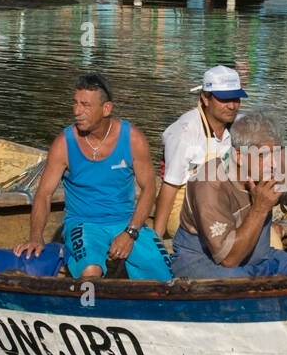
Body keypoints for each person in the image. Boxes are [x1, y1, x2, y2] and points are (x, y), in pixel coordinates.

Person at [14, 74, 172, 280]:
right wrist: (36, 237)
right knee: (91, 271)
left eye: (85, 105)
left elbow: (149, 188)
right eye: (75, 103)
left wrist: (130, 232)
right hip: (84, 224)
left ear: (106, 109)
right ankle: (90, 308)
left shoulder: (133, 138)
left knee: (163, 273)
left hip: (126, 222)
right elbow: (44, 194)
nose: (77, 111)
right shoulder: (64, 143)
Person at [171, 110, 287, 279]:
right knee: (239, 285)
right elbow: (229, 260)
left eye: (277, 152)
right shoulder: (209, 183)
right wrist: (260, 208)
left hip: (261, 257)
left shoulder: (282, 165)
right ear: (238, 155)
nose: (273, 163)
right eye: (263, 155)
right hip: (202, 260)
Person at [153, 65, 244, 239]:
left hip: (224, 201)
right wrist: (157, 237)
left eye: (236, 99)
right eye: (224, 100)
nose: (232, 106)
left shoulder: (242, 125)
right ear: (205, 98)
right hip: (185, 205)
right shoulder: (184, 131)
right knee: (221, 238)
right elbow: (170, 186)